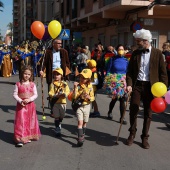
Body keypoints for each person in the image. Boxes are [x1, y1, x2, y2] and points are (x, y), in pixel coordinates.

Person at [126, 29, 168, 149]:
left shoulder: (158, 53)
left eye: (138, 41)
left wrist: (162, 89)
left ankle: (145, 137)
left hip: (152, 87)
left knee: (148, 113)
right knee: (133, 109)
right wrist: (129, 84)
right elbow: (129, 72)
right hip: (137, 85)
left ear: (145, 41)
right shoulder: (135, 53)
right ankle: (132, 134)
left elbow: (163, 73)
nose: (136, 43)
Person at [13, 65, 41, 147]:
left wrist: (30, 99)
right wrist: (20, 100)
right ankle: (20, 138)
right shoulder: (18, 84)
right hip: (21, 106)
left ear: (31, 75)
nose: (27, 76)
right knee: (21, 121)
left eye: (28, 74)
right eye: (25, 74)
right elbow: (15, 94)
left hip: (30, 105)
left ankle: (28, 135)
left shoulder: (32, 84)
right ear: (22, 73)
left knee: (29, 120)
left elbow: (36, 94)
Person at [103, 44, 129, 124]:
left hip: (122, 81)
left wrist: (127, 82)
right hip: (114, 81)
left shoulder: (126, 60)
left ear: (124, 51)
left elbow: (128, 71)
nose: (121, 51)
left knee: (122, 100)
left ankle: (122, 117)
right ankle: (110, 112)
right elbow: (109, 70)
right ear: (117, 51)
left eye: (122, 49)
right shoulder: (112, 59)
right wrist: (107, 80)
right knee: (114, 99)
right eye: (119, 49)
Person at [73, 68, 94, 146]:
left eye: (84, 78)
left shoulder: (90, 86)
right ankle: (80, 138)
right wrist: (75, 88)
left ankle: (83, 134)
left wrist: (89, 97)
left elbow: (92, 97)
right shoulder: (78, 86)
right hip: (79, 106)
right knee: (80, 122)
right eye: (81, 77)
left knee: (85, 122)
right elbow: (74, 97)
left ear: (88, 79)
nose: (82, 79)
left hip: (87, 106)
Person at [48, 68, 70, 137]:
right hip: (55, 103)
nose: (56, 76)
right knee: (56, 116)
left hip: (63, 102)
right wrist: (54, 95)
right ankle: (57, 128)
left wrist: (65, 94)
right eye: (54, 74)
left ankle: (59, 122)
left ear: (61, 75)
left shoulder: (65, 84)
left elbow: (67, 91)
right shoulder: (52, 84)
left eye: (58, 74)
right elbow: (50, 92)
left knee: (62, 115)